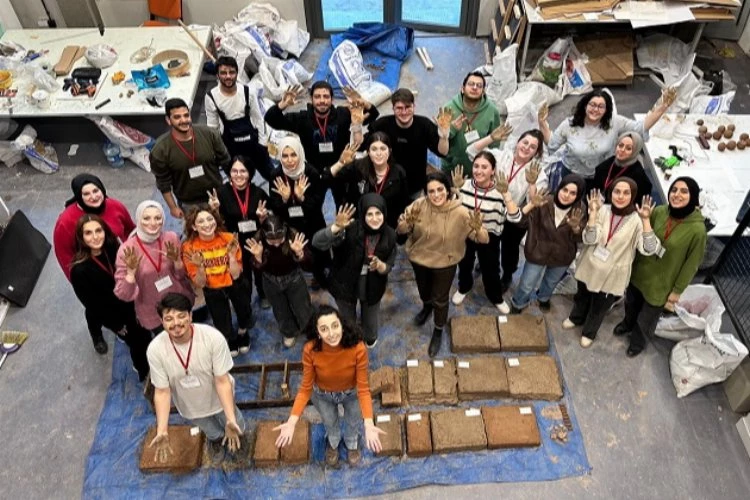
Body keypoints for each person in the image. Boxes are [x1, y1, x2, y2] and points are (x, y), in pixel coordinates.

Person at [273, 305, 384, 467]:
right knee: (330, 422)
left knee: (353, 421)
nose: (331, 334)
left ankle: (351, 442)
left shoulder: (357, 348)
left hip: (351, 393)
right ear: (317, 332)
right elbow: (305, 388)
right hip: (322, 395)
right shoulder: (310, 350)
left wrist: (368, 423)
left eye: (334, 326)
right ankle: (333, 441)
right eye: (324, 329)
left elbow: (363, 388)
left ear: (342, 325)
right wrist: (291, 421)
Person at [397, 171, 489, 357]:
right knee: (424, 290)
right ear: (426, 193)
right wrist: (406, 223)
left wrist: (479, 229)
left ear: (448, 190)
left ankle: (438, 329)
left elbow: (484, 240)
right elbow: (401, 230)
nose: (436, 195)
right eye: (431, 191)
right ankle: (426, 307)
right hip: (420, 259)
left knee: (440, 299)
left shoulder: (461, 213)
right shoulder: (418, 205)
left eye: (440, 189)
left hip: (445, 263)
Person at [146, 292, 246, 465]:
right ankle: (216, 439)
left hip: (219, 400)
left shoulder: (212, 338)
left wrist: (230, 419)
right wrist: (162, 430)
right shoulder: (155, 350)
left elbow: (222, 381)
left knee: (235, 425)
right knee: (209, 429)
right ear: (161, 321)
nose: (176, 323)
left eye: (181, 316)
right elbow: (162, 391)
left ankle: (239, 440)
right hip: (190, 406)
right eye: (169, 319)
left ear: (190, 316)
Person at [563, 178, 661, 347]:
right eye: (617, 192)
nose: (620, 196)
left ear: (633, 195)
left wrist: (646, 221)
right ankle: (576, 317)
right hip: (591, 265)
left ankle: (589, 332)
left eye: (626, 193)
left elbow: (649, 249)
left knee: (599, 306)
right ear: (611, 193)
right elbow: (590, 239)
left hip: (611, 274)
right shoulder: (602, 210)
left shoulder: (637, 220)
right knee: (582, 296)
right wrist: (593, 214)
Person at [616, 177, 707, 357]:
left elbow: (691, 265)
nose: (677, 195)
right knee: (631, 303)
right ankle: (627, 324)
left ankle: (637, 342)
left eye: (684, 191)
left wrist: (677, 291)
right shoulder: (659, 211)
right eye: (674, 190)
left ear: (694, 196)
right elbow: (644, 236)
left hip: (662, 284)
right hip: (641, 272)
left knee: (647, 318)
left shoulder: (697, 230)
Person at [264, 81, 379, 206]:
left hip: (341, 168)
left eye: (326, 96)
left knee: (344, 206)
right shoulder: (302, 118)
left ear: (332, 99)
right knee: (313, 206)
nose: (322, 100)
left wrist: (364, 103)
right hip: (315, 173)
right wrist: (282, 104)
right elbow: (271, 119)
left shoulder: (344, 114)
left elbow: (373, 114)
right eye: (317, 97)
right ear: (311, 99)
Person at [538, 88, 675, 190]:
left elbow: (641, 127)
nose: (595, 109)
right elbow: (552, 144)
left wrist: (663, 107)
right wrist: (542, 123)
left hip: (601, 176)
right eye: (592, 104)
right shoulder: (569, 124)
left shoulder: (614, 123)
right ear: (585, 105)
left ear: (606, 110)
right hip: (572, 175)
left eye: (601, 106)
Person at [69, 215, 151, 380]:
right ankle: (143, 371)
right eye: (88, 233)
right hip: (115, 315)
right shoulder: (79, 270)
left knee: (144, 335)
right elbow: (93, 306)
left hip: (130, 302)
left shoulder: (114, 249)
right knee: (137, 342)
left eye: (98, 231)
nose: (95, 237)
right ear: (81, 237)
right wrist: (116, 325)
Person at [312, 194, 398, 348]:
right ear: (362, 214)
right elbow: (317, 242)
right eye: (369, 214)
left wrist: (381, 266)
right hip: (344, 283)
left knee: (370, 320)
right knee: (347, 319)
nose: (374, 219)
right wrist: (336, 227)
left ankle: (370, 337)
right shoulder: (349, 228)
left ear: (384, 213)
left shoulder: (390, 235)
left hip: (373, 285)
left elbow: (389, 264)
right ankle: (351, 338)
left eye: (378, 213)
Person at [468, 128, 548, 287]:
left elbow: (534, 202)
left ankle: (507, 274)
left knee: (509, 250)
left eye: (532, 147)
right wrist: (491, 138)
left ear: (536, 153)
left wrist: (532, 183)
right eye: (525, 142)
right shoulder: (500, 156)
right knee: (487, 242)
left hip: (513, 216)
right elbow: (471, 151)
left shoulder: (537, 171)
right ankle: (483, 263)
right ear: (518, 142)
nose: (527, 148)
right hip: (490, 210)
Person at [450, 152, 520, 313]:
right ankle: (464, 287)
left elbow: (515, 218)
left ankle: (495, 297)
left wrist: (506, 195)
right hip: (466, 234)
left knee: (491, 268)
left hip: (490, 236)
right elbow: (453, 211)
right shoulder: (464, 185)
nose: (479, 171)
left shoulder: (501, 190)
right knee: (464, 263)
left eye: (484, 167)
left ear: (493, 170)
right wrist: (457, 191)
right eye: (476, 166)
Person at [508, 174, 587, 313]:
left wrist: (575, 228)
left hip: (562, 255)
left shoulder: (580, 209)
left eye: (573, 193)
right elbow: (520, 222)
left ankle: (543, 298)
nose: (566, 195)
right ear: (559, 188)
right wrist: (531, 204)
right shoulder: (544, 201)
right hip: (538, 251)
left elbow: (580, 238)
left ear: (578, 195)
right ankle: (518, 303)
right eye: (564, 190)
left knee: (550, 282)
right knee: (527, 284)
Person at [114, 201, 195, 333]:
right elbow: (125, 295)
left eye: (158, 218)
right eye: (146, 218)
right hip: (152, 311)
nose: (153, 223)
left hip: (179, 302)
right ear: (138, 219)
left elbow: (182, 276)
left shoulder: (171, 238)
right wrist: (130, 274)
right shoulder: (127, 250)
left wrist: (177, 262)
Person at [181, 207, 253, 356]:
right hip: (212, 288)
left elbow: (236, 274)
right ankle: (230, 337)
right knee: (220, 317)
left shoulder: (228, 238)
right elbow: (200, 283)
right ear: (194, 226)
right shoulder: (189, 248)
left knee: (243, 308)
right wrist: (200, 267)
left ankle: (242, 331)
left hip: (233, 282)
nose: (207, 224)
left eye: (210, 219)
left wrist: (231, 256)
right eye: (201, 221)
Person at [150, 98, 230, 219]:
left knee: (223, 225)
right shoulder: (160, 150)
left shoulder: (210, 134)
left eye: (186, 115)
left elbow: (226, 162)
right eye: (177, 117)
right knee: (196, 228)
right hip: (188, 202)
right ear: (168, 120)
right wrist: (173, 207)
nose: (183, 120)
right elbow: (163, 182)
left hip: (217, 195)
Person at [267, 135, 329, 287]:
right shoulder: (276, 175)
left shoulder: (311, 172)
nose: (289, 160)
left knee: (318, 252)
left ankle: (320, 276)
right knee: (294, 253)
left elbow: (317, 204)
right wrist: (285, 199)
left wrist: (301, 198)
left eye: (293, 155)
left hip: (312, 222)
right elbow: (275, 208)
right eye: (285, 156)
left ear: (300, 153)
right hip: (291, 224)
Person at [211, 156, 270, 309]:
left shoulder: (258, 193)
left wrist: (262, 218)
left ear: (250, 173)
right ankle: (246, 297)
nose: (238, 175)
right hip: (235, 241)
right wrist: (215, 210)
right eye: (234, 171)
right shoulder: (221, 194)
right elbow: (217, 224)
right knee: (242, 273)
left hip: (256, 239)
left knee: (259, 268)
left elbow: (270, 219)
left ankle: (263, 293)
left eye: (243, 171)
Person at [245, 215, 313, 348]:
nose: (276, 244)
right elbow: (255, 271)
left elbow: (309, 265)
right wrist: (258, 258)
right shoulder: (257, 243)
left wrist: (300, 253)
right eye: (271, 241)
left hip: (294, 278)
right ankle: (289, 332)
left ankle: (310, 330)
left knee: (303, 307)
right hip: (270, 281)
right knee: (280, 309)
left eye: (279, 239)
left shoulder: (294, 238)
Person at [367, 88, 449, 196]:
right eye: (399, 108)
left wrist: (444, 137)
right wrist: (356, 126)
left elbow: (443, 152)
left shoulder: (424, 125)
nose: (404, 112)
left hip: (415, 186)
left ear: (414, 106)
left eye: (408, 107)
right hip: (388, 186)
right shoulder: (383, 124)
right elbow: (361, 145)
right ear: (393, 108)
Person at [53, 173, 135, 281]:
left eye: (96, 191)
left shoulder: (115, 206)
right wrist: (77, 280)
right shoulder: (65, 221)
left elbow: (131, 231)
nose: (93, 197)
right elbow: (64, 254)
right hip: (92, 272)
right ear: (79, 196)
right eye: (86, 194)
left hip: (121, 264)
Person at [205, 56, 274, 181]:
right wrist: (219, 152)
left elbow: (259, 119)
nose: (228, 76)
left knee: (272, 176)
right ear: (217, 75)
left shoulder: (248, 92)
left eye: (232, 72)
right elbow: (213, 128)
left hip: (253, 144)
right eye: (223, 73)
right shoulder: (211, 97)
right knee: (238, 181)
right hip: (230, 148)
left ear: (237, 73)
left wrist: (262, 145)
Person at [327, 132, 409, 228]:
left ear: (389, 151)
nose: (379, 153)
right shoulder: (357, 167)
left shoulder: (398, 172)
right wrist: (340, 163)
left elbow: (404, 203)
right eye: (374, 149)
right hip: (358, 225)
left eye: (383, 149)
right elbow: (328, 179)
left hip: (387, 226)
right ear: (368, 152)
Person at [441, 71, 503, 174]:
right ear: (462, 88)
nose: (475, 88)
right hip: (451, 168)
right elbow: (439, 140)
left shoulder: (492, 111)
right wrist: (452, 129)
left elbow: (494, 143)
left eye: (479, 86)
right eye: (471, 84)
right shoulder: (448, 109)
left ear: (483, 91)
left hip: (479, 170)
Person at [590, 131, 652, 204]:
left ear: (635, 151)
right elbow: (594, 190)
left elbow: (640, 202)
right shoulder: (606, 165)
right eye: (620, 145)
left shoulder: (638, 175)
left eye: (628, 148)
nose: (622, 150)